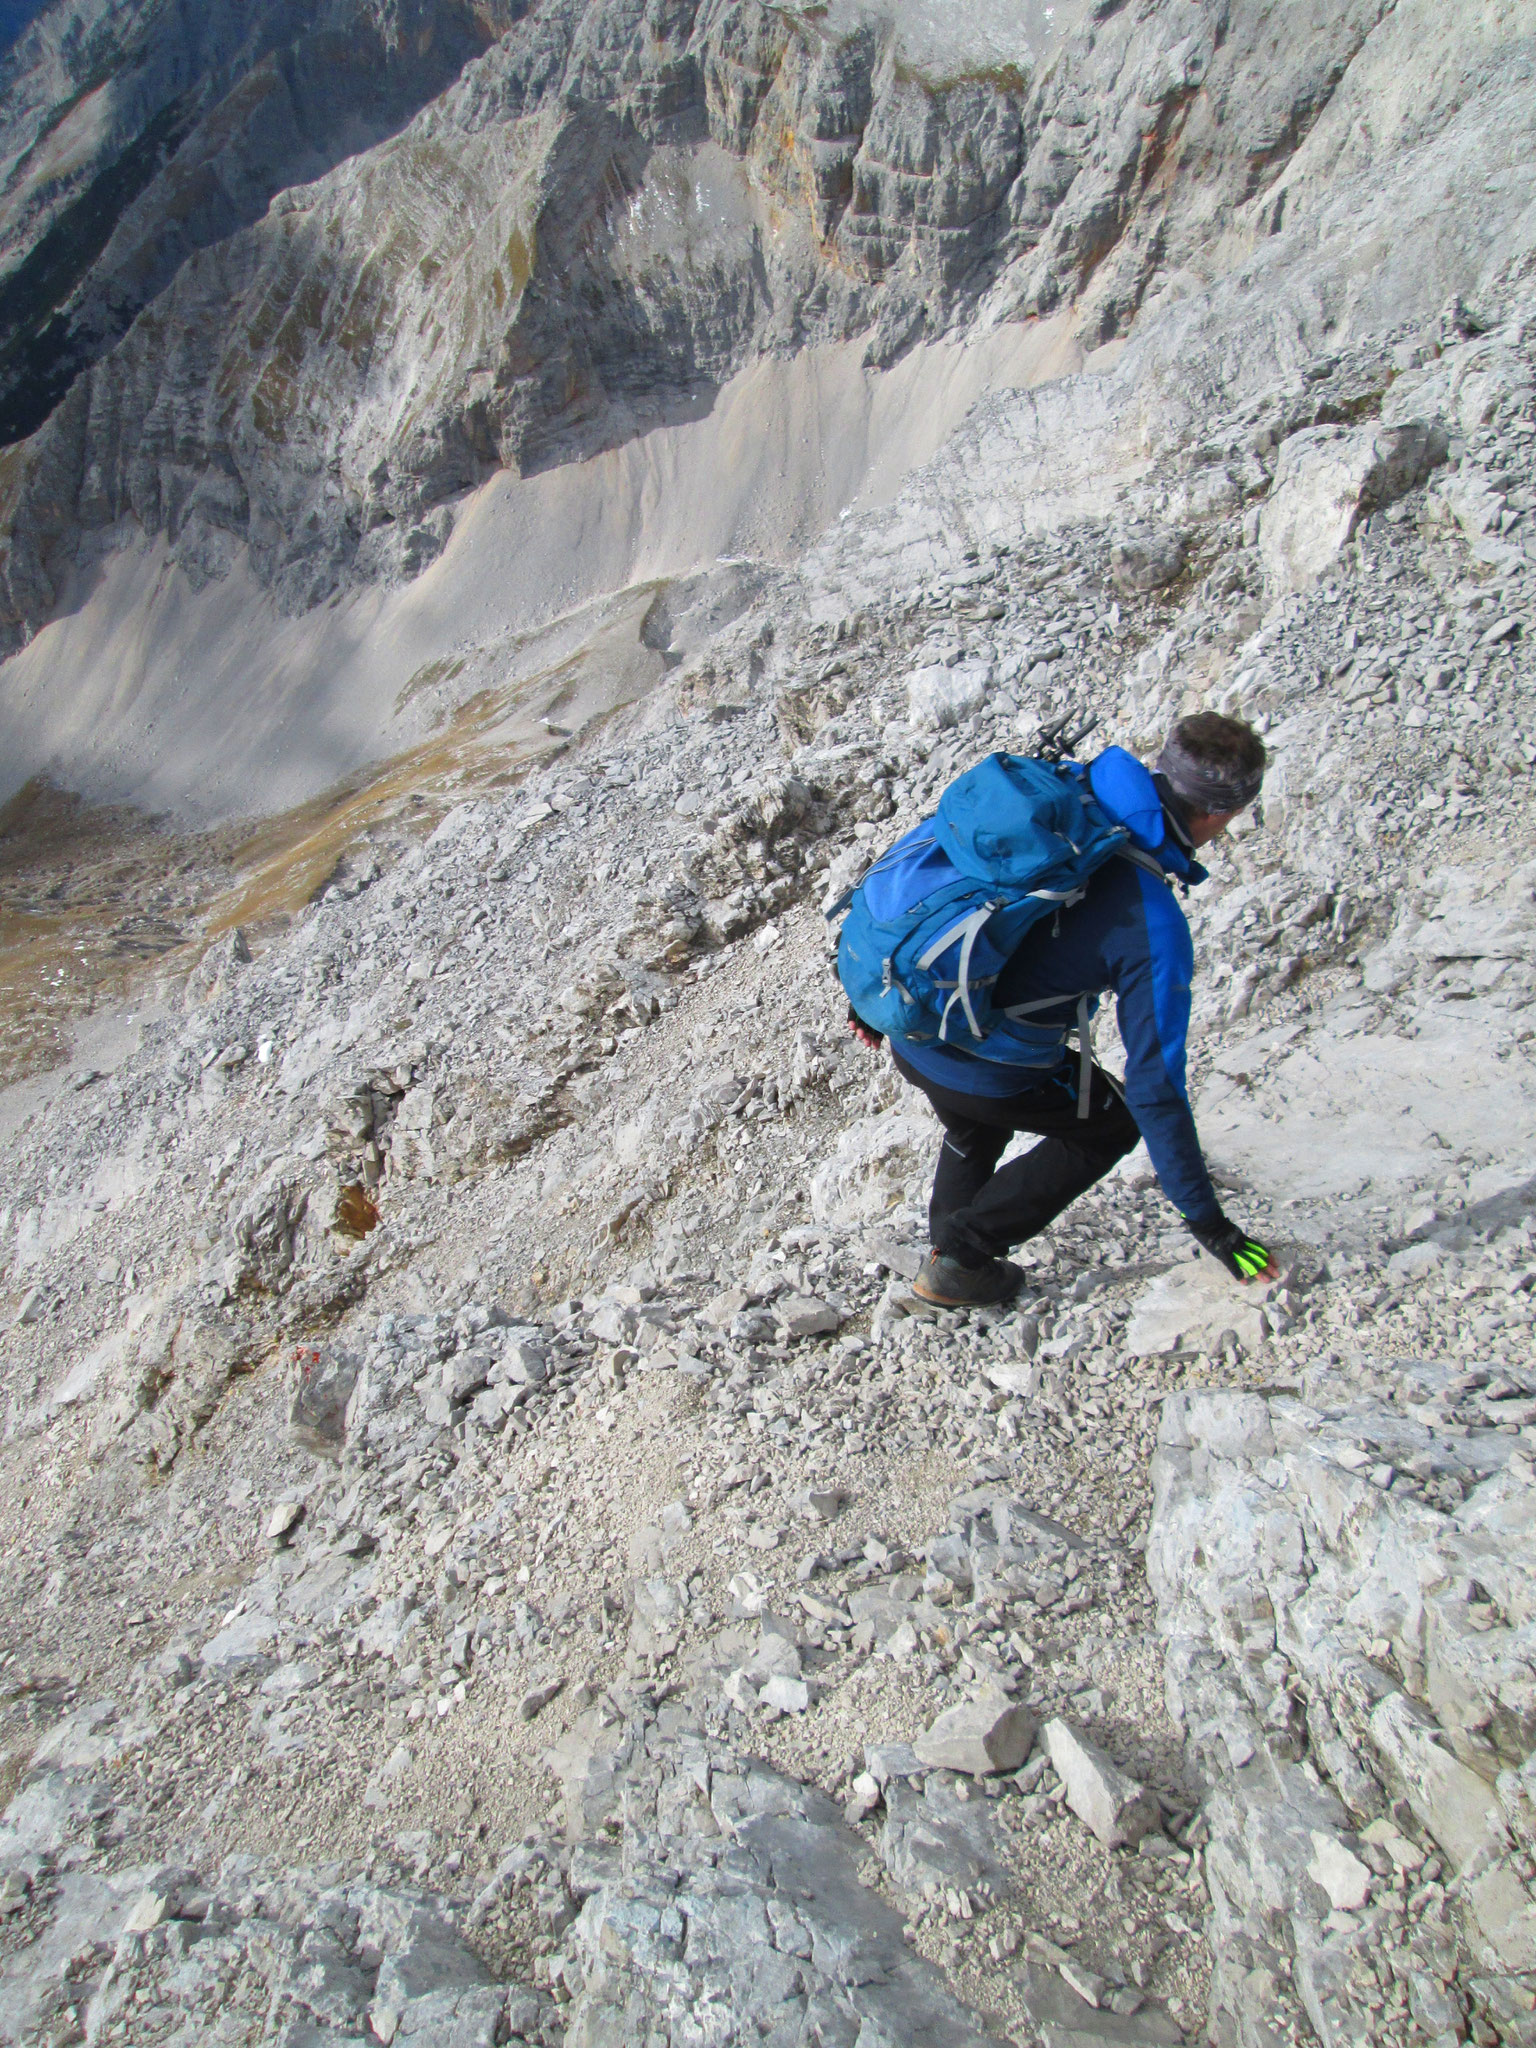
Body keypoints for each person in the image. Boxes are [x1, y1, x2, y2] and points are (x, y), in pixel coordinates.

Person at [850, 712, 1280, 1308]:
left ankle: (946, 1256)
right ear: (1220, 813)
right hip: (980, 1066)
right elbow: (1156, 1088)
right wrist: (1211, 1224)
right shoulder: (1151, 924)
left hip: (909, 1024)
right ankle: (962, 1258)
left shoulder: (1056, 804)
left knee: (975, 1124)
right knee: (1115, 1122)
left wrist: (869, 1002)